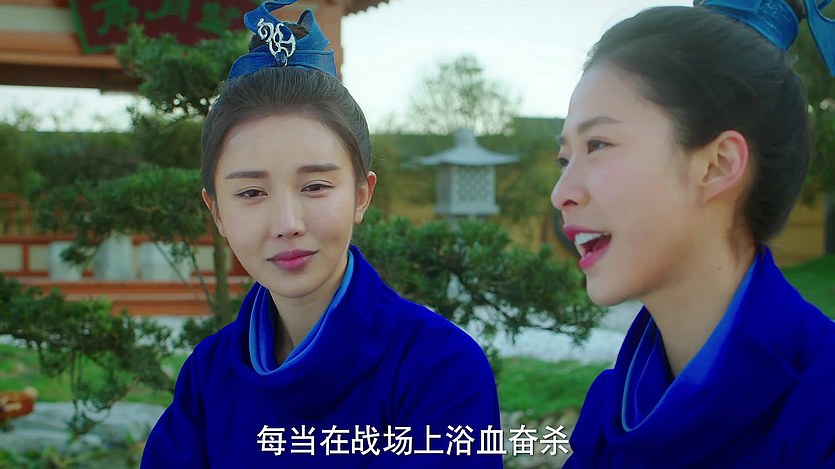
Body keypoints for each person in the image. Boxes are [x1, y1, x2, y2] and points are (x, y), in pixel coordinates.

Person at [141, 1, 501, 467]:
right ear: (217, 212)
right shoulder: (207, 376)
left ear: (361, 196)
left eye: (315, 186)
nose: (287, 223)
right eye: (251, 193)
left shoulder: (439, 367)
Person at [551, 1, 835, 467]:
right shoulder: (610, 408)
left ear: (717, 165)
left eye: (597, 145)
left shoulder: (822, 408)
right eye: (565, 160)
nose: (561, 193)